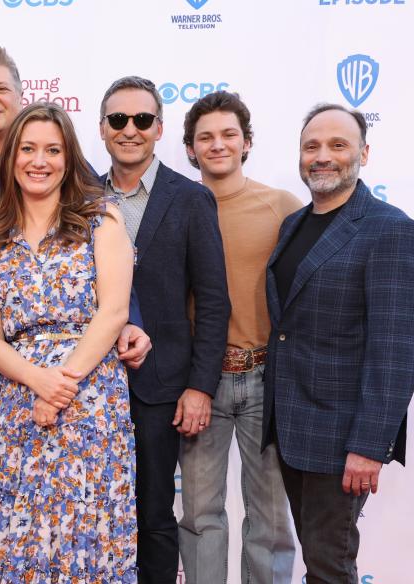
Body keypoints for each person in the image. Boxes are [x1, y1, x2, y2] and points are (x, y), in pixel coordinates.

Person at [0, 46, 152, 574]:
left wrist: (62, 383)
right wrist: (39, 382)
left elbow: (112, 313)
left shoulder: (101, 220)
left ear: (68, 157)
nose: (40, 161)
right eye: (29, 149)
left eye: (53, 150)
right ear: (12, 156)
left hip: (93, 400)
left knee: (88, 539)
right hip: (19, 400)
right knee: (17, 545)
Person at [263, 104, 414, 583]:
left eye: (337, 145)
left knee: (330, 567)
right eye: (312, 146)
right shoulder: (294, 225)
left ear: (363, 154)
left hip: (342, 435)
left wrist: (370, 445)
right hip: (292, 425)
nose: (322, 156)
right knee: (319, 560)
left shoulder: (389, 229)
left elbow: (395, 347)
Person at [98, 75, 230, 583]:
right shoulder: (81, 194)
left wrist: (200, 386)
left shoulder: (191, 199)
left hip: (162, 386)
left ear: (159, 128)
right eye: (118, 119)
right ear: (103, 128)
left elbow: (214, 303)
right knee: (95, 513)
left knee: (154, 515)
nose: (130, 129)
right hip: (90, 383)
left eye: (142, 120)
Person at [177, 91, 298, 584]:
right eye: (205, 137)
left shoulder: (282, 207)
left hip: (267, 379)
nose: (218, 145)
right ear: (189, 149)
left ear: (246, 143)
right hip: (201, 383)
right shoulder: (181, 208)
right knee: (201, 515)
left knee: (269, 518)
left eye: (229, 135)